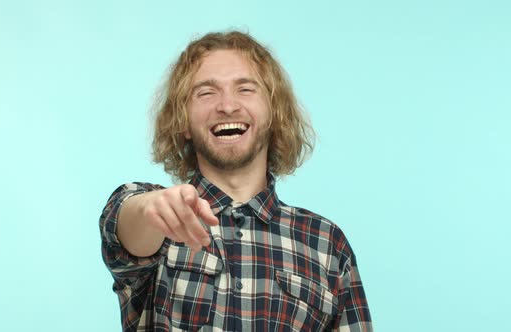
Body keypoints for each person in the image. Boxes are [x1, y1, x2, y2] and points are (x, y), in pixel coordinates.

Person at [99, 30, 372, 331]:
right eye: (206, 92)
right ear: (183, 121)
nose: (227, 106)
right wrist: (150, 209)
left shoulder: (327, 244)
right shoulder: (160, 217)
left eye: (245, 89)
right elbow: (125, 220)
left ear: (273, 112)